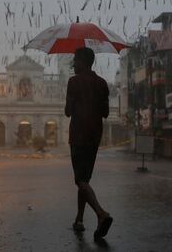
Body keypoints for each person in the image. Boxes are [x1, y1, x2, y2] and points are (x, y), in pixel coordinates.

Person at [65, 47, 113, 238]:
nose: (73, 64)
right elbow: (106, 113)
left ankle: (101, 214)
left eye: (75, 60)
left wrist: (75, 102)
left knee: (80, 180)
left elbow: (67, 111)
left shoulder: (73, 82)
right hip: (94, 136)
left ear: (83, 61)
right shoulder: (102, 83)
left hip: (78, 135)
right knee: (85, 179)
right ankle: (79, 219)